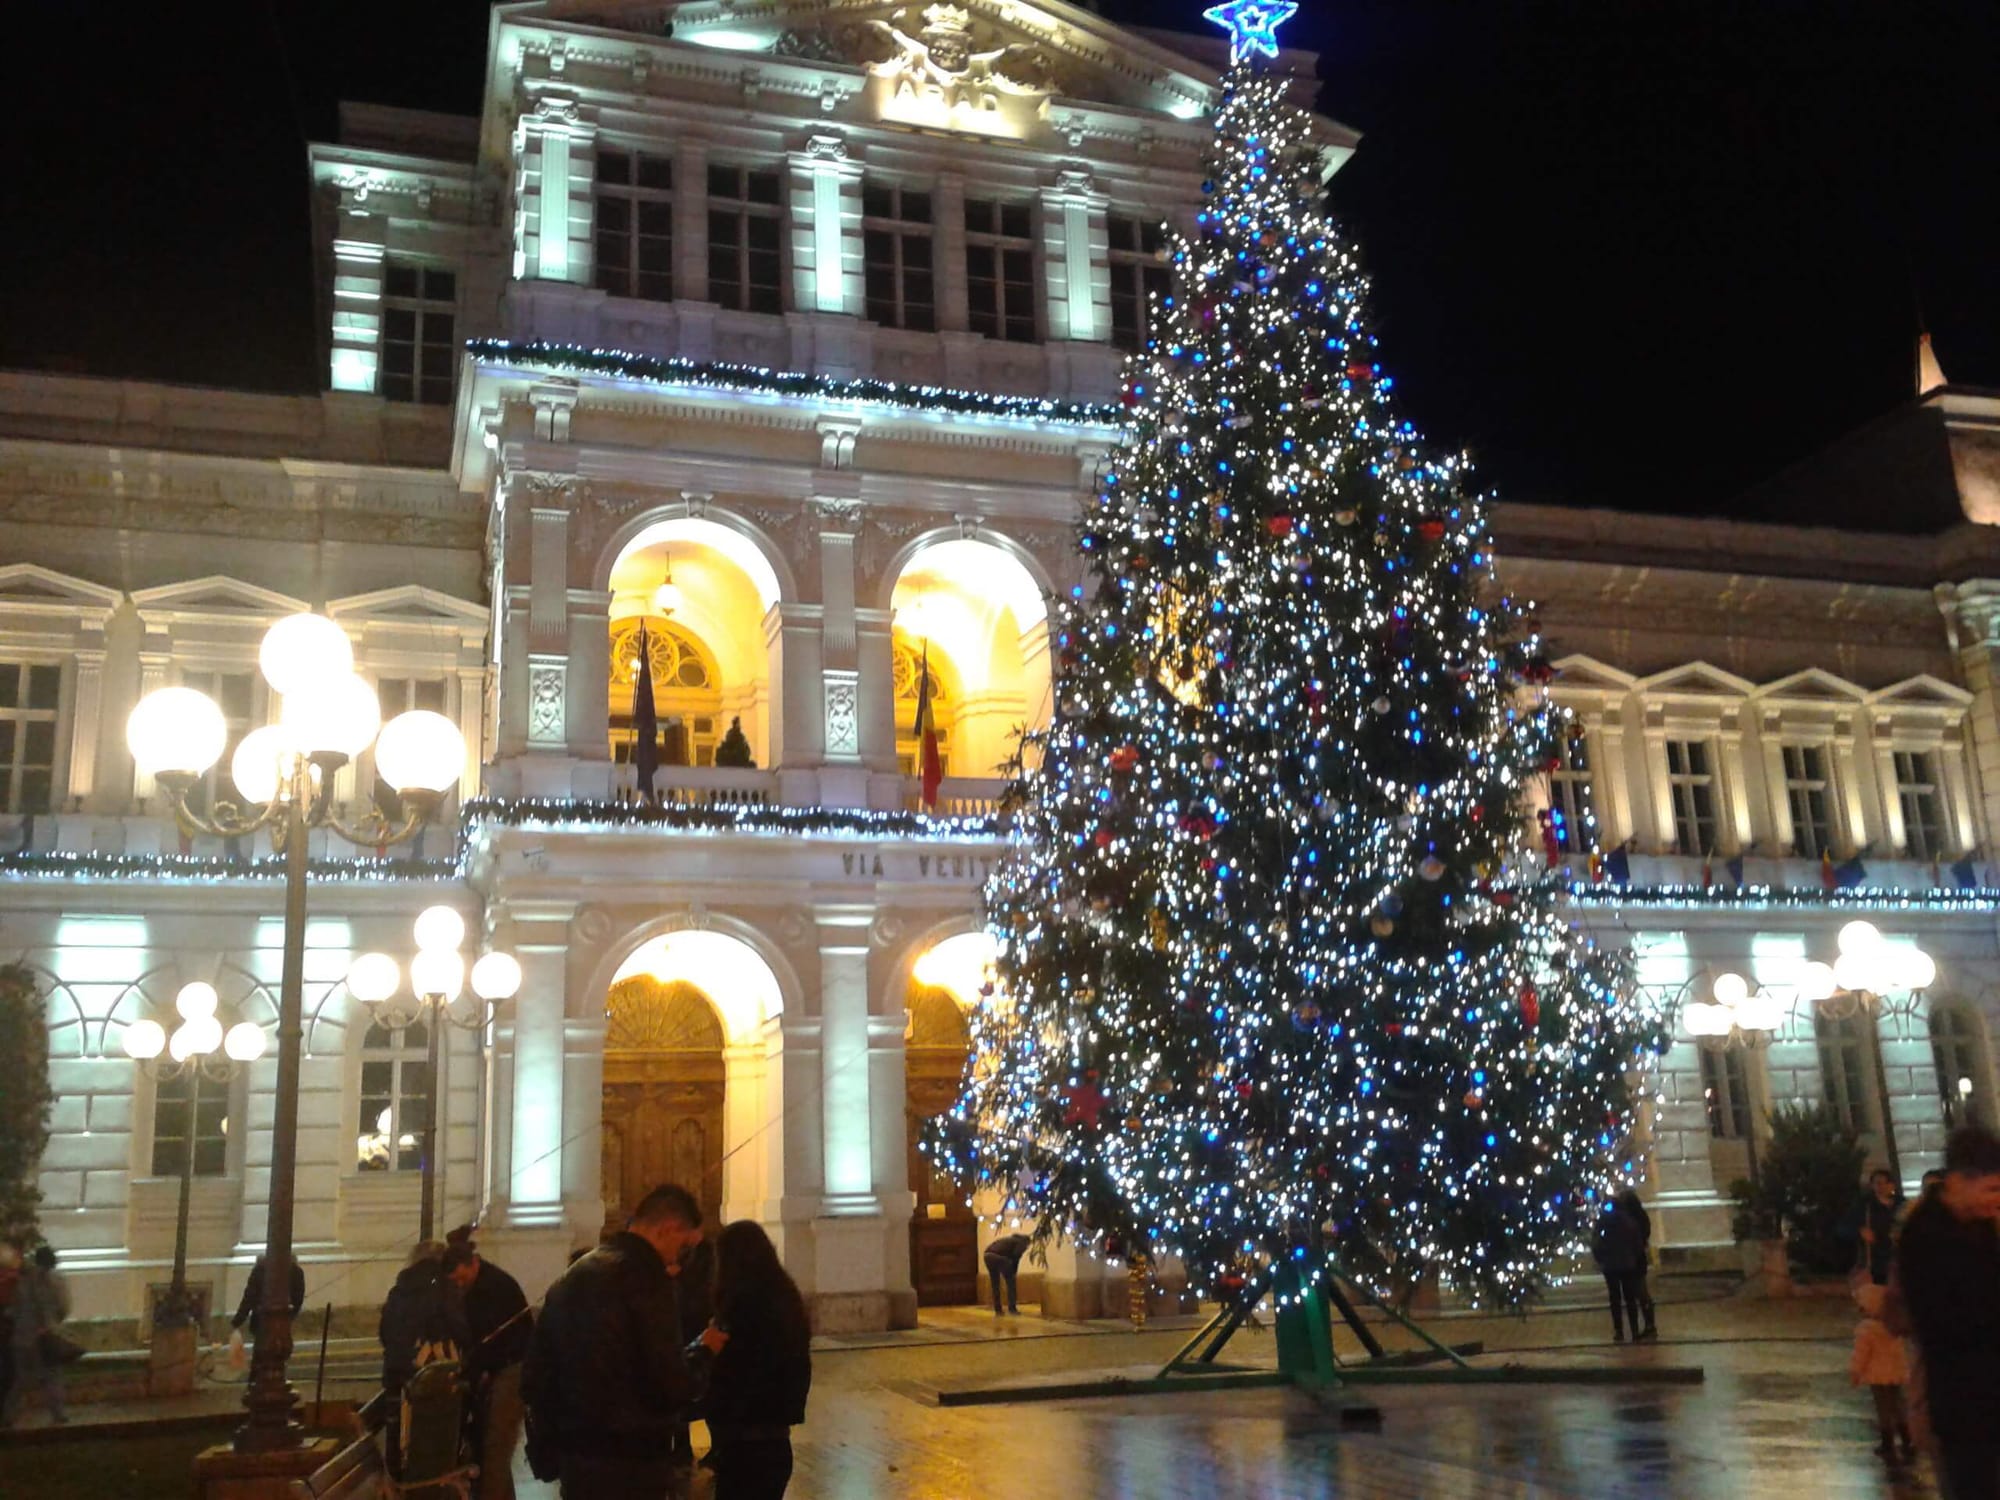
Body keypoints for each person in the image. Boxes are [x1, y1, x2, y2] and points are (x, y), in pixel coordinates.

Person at [524, 1183, 706, 1498]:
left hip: (576, 1457)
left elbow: (534, 1376)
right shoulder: (647, 1281)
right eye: (683, 1245)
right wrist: (704, 1355)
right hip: (633, 1459)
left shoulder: (574, 1275)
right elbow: (669, 1381)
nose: (680, 1258)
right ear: (667, 1229)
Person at [1897, 1125, 2000, 1499]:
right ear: (1958, 1181)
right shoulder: (1926, 1235)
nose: (1997, 1199)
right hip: (1966, 1408)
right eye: (1991, 1189)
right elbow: (1947, 1324)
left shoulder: (1980, 1226)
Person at [692, 1221, 811, 1500]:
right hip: (777, 1443)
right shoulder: (787, 1301)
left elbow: (729, 1380)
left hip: (743, 1447)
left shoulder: (739, 1311)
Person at [444, 1240, 532, 1500]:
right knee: (493, 1446)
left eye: (461, 1278)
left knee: (496, 1445)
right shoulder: (480, 1284)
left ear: (473, 1264)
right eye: (455, 1282)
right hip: (500, 1369)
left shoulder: (493, 1287)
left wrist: (475, 1372)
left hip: (511, 1370)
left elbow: (491, 1342)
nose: (459, 1285)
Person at [379, 1241, 469, 1479]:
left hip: (396, 1375)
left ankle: (400, 1478)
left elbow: (385, 1333)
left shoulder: (399, 1288)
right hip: (428, 1378)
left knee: (399, 1438)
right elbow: (459, 1327)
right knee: (433, 1440)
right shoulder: (443, 1287)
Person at [3, 1245, 71, 1426]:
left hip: (22, 1338)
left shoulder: (22, 1281)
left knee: (22, 1378)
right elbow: (63, 1308)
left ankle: (8, 1414)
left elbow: (13, 1310)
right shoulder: (57, 1280)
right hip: (46, 1336)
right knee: (52, 1375)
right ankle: (58, 1413)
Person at [1851, 1280, 1914, 1463]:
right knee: (1898, 1406)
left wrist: (1855, 1372)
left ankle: (1887, 1443)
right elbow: (1900, 1352)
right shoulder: (1893, 1327)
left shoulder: (1866, 1330)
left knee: (1883, 1409)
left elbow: (1860, 1354)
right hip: (1896, 1374)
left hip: (1877, 1376)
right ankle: (1907, 1439)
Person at [1591, 1193, 1654, 1344]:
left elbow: (1596, 1240)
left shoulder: (1604, 1220)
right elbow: (1637, 1242)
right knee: (1630, 1298)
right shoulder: (1629, 1221)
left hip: (1610, 1265)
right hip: (1627, 1264)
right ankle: (1634, 1330)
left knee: (1615, 1299)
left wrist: (1600, 1258)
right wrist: (1634, 1255)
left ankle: (1619, 1331)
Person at [232, 1254, 307, 1342]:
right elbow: (298, 1298)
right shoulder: (296, 1271)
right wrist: (290, 1316)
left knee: (262, 1348)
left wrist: (237, 1321)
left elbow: (249, 1297)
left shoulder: (260, 1270)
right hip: (283, 1321)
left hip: (260, 1319)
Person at [1854, 1169, 1905, 1286]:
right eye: (1877, 1183)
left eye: (1884, 1183)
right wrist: (1860, 1231)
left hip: (1898, 1260)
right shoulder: (1864, 1205)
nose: (1880, 1187)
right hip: (1875, 1262)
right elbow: (1844, 1227)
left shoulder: (1902, 1205)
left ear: (1892, 1185)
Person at [984, 1232, 1030, 1316]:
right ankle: (1012, 1309)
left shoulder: (1009, 1239)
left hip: (987, 1256)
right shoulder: (1021, 1242)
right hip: (1000, 1258)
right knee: (1011, 1283)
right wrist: (1014, 1272)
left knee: (995, 1284)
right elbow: (1016, 1256)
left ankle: (998, 1309)